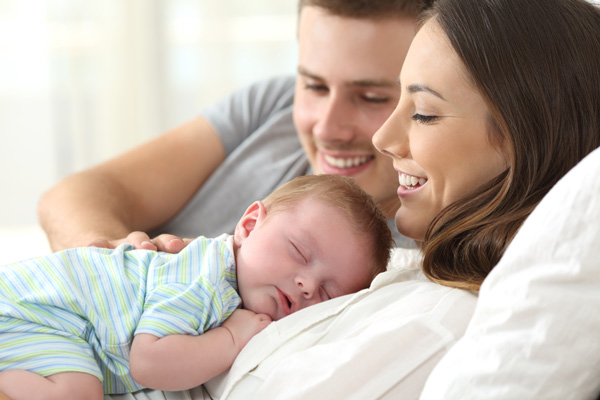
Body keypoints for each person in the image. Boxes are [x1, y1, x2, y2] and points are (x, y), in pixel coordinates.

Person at [197, 0, 600, 398]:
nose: (383, 139)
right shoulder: (410, 277)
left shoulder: (440, 323)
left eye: (423, 113)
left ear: (527, 142)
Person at [37, 0, 432, 253]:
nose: (327, 129)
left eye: (372, 97)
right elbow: (73, 196)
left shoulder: (421, 260)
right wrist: (115, 261)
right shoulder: (273, 104)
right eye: (314, 85)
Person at [0, 174, 394, 400]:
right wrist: (230, 340)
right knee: (75, 394)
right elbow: (149, 362)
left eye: (328, 292)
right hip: (32, 312)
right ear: (250, 225)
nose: (307, 284)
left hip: (50, 319)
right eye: (298, 251)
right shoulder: (204, 280)